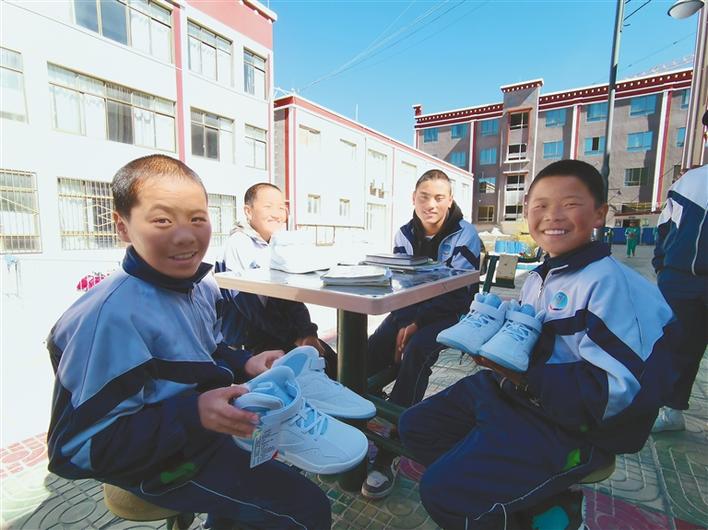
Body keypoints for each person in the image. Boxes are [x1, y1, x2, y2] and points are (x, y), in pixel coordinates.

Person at [46, 155, 330, 530]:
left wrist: (245, 362)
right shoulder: (111, 319)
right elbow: (73, 450)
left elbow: (206, 350)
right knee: (307, 508)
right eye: (162, 220)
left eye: (197, 219)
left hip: (199, 430)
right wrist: (193, 414)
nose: (185, 236)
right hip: (161, 463)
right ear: (123, 227)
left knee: (281, 461)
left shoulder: (198, 286)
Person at [399, 159, 677, 529]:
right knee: (415, 427)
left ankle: (532, 505)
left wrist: (523, 375)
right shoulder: (540, 276)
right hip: (515, 394)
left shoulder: (608, 284)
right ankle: (539, 502)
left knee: (443, 494)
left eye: (570, 204)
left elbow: (615, 391)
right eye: (540, 205)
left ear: (600, 214)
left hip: (571, 425)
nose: (552, 216)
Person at [362, 169, 481, 499]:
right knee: (369, 351)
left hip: (452, 313)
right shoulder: (404, 233)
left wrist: (415, 324)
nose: (431, 204)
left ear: (450, 201)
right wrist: (405, 321)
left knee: (416, 352)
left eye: (439, 198)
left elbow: (459, 293)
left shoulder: (465, 235)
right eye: (424, 197)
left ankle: (391, 449)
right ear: (413, 199)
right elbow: (400, 284)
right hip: (410, 311)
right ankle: (357, 421)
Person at [219, 183, 338, 378]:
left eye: (282, 207)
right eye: (268, 206)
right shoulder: (239, 243)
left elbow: (291, 296)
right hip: (249, 343)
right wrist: (295, 338)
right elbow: (251, 306)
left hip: (278, 333)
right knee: (313, 371)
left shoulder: (277, 244)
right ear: (248, 211)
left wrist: (307, 332)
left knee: (329, 359)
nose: (277, 214)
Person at [651, 163, 707, 432]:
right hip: (681, 280)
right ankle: (672, 411)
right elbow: (664, 226)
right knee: (677, 347)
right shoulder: (689, 181)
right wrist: (662, 266)